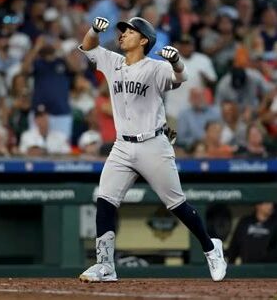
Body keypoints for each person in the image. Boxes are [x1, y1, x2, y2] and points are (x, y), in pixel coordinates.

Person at [77, 16, 226, 282]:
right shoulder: (113, 61)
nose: (122, 34)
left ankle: (210, 246)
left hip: (153, 143)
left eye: (130, 31)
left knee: (176, 204)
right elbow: (88, 47)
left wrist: (177, 60)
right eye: (122, 31)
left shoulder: (155, 67)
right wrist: (93, 30)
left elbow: (182, 76)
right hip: (122, 145)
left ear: (144, 40)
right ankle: (105, 265)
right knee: (105, 200)